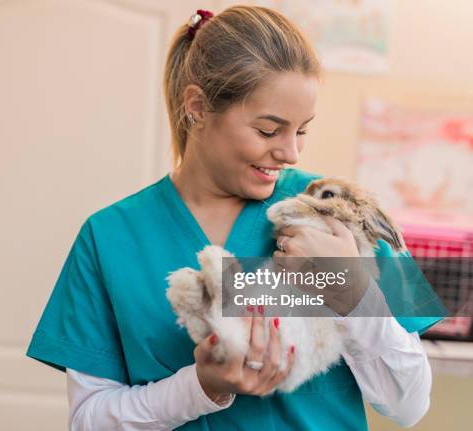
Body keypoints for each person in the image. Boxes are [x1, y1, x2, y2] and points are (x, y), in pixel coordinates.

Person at [26, 5, 442, 430]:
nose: (290, 152)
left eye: (301, 130)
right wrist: (201, 388)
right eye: (267, 130)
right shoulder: (109, 238)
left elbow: (409, 405)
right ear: (198, 108)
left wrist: (350, 289)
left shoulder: (333, 213)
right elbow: (89, 421)